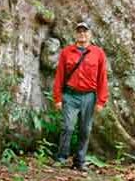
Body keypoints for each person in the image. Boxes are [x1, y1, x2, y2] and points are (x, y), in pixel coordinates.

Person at [53, 21, 108, 171]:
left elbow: (102, 78)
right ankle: (61, 158)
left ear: (90, 34)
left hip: (89, 97)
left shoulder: (98, 53)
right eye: (79, 31)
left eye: (85, 31)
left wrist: (101, 101)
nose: (82, 34)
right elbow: (59, 76)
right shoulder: (66, 52)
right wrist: (57, 98)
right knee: (68, 127)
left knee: (85, 129)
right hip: (70, 96)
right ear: (75, 34)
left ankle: (80, 161)